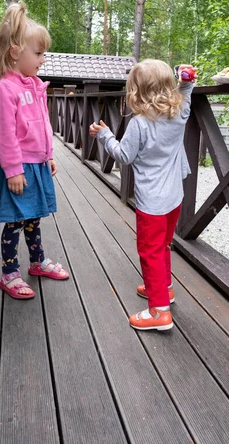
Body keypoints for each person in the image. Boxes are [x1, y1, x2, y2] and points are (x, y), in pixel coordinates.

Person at [89, 59, 196, 331]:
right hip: (174, 198)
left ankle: (159, 312)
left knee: (149, 252)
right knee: (163, 246)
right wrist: (187, 79)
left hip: (151, 203)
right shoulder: (179, 113)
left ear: (136, 93)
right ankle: (164, 290)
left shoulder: (139, 124)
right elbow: (186, 92)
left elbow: (124, 155)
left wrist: (105, 136)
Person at [0, 1, 69, 300]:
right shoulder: (5, 91)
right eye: (38, 53)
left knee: (34, 217)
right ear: (15, 52)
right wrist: (13, 171)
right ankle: (9, 274)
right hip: (19, 168)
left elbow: (43, 125)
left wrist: (48, 155)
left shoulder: (34, 86)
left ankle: (37, 262)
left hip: (37, 164)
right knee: (15, 221)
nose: (43, 59)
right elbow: (6, 136)